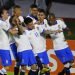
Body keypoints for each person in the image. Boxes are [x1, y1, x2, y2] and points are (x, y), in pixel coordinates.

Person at [0, 7, 12, 75]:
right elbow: (12, 32)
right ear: (2, 14)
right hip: (3, 47)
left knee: (6, 66)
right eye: (6, 13)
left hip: (5, 46)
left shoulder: (4, 22)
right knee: (7, 66)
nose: (8, 14)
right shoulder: (2, 23)